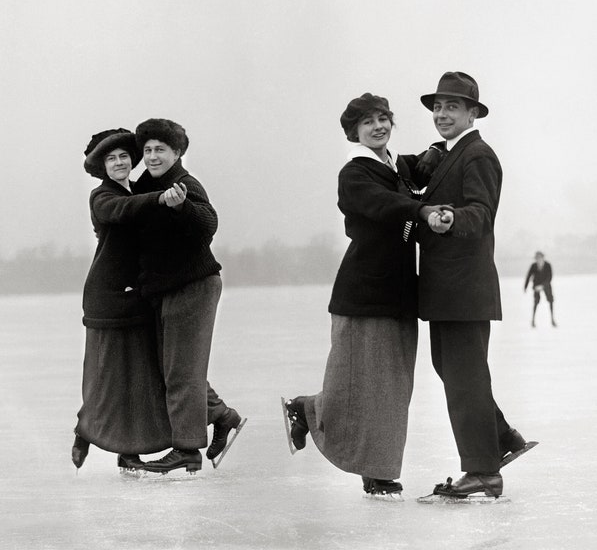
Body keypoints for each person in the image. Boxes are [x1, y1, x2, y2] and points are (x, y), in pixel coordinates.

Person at [283, 93, 444, 498]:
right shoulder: (355, 173)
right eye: (368, 122)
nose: (379, 127)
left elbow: (413, 170)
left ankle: (368, 455)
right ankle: (371, 466)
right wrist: (421, 209)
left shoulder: (392, 164)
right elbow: (384, 202)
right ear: (353, 132)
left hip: (400, 292)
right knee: (358, 385)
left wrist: (437, 153)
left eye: (384, 118)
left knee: (392, 386)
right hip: (364, 292)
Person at [417, 71, 530, 498]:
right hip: (449, 288)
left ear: (472, 113)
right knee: (454, 371)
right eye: (438, 107)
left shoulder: (478, 155)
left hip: (464, 287)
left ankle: (483, 469)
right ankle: (501, 439)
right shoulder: (450, 153)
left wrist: (448, 218)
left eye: (452, 107)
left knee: (464, 376)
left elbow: (481, 213)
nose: (442, 114)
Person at [132, 118, 243, 474]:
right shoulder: (146, 186)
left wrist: (183, 208)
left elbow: (208, 225)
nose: (152, 156)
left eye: (160, 149)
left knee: (181, 372)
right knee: (175, 368)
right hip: (167, 289)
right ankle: (222, 416)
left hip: (194, 286)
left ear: (177, 152)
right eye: (147, 150)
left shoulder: (184, 184)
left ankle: (186, 450)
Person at [73, 128, 173, 471]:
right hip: (106, 299)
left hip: (135, 297)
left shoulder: (138, 188)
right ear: (102, 166)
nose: (118, 163)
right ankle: (87, 431)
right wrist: (160, 199)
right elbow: (121, 210)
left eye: (123, 157)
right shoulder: (102, 197)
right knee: (108, 377)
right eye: (111, 158)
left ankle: (127, 450)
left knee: (138, 377)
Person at [524, 251, 556, 327]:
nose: (538, 259)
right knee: (536, 302)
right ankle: (533, 320)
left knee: (551, 300)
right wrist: (525, 286)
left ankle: (552, 319)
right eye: (537, 258)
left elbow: (550, 277)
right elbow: (529, 276)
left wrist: (543, 286)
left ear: (542, 258)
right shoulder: (533, 266)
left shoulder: (548, 265)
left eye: (540, 258)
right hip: (536, 285)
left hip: (546, 285)